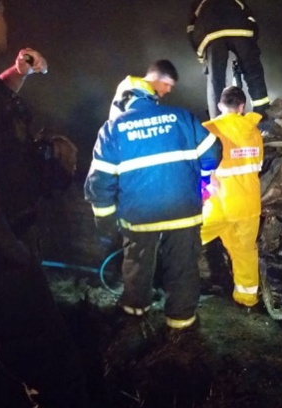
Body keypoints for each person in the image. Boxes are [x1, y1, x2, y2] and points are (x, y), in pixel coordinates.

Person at [0, 0, 88, 406]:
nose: (7, 24)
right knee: (52, 365)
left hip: (2, 243)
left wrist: (17, 73)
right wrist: (10, 247)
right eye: (3, 13)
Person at [85, 76, 222, 330]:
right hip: (184, 211)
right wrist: (201, 176)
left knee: (137, 262)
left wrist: (104, 220)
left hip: (139, 216)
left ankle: (135, 313)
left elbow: (100, 182)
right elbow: (213, 153)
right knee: (183, 265)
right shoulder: (181, 116)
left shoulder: (112, 129)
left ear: (124, 100)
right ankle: (181, 323)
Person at [201, 86, 264, 308]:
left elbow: (201, 161)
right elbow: (258, 165)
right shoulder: (254, 132)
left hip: (220, 203)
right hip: (249, 205)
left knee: (186, 239)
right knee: (245, 252)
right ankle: (247, 298)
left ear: (220, 106)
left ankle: (166, 283)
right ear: (241, 106)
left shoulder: (213, 129)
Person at [188, 0, 271, 118]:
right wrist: (251, 43)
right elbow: (250, 16)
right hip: (240, 30)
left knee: (215, 80)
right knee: (253, 73)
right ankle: (262, 116)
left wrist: (202, 56)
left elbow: (191, 29)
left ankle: (217, 122)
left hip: (212, 35)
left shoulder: (199, 3)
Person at [108, 59, 179, 121]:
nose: (169, 90)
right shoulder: (140, 89)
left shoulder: (131, 83)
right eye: (166, 84)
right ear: (155, 77)